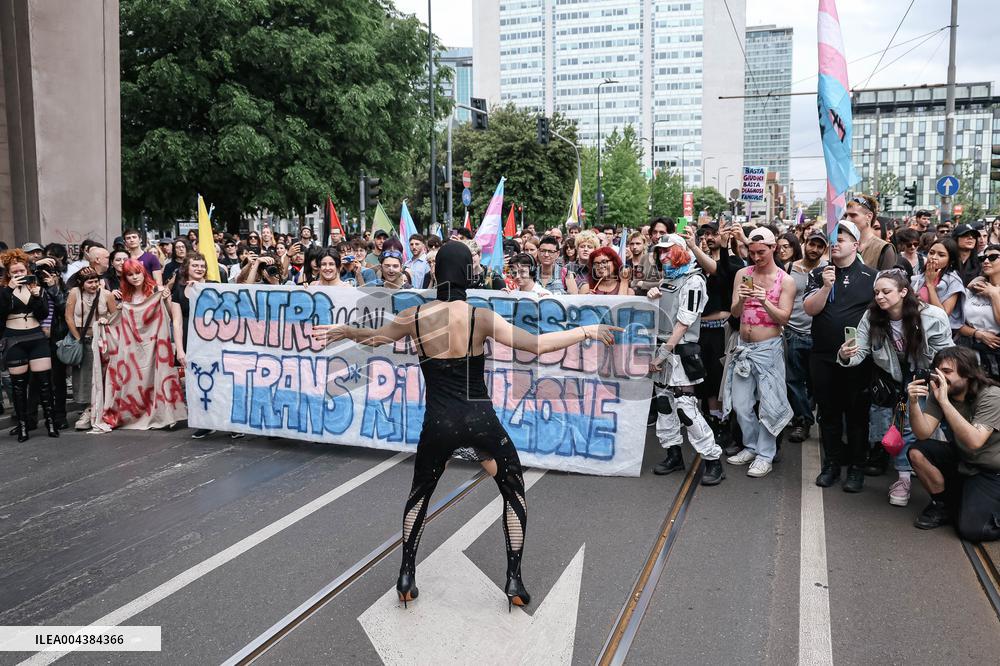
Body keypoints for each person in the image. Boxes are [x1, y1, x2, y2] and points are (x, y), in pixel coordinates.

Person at [311, 241, 621, 608]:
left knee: (419, 496)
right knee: (513, 491)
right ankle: (514, 581)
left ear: (438, 272)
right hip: (479, 418)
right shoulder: (480, 316)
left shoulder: (415, 315)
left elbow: (377, 339)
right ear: (467, 273)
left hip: (437, 422)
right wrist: (585, 332)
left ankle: (406, 575)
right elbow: (536, 345)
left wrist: (346, 331)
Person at [838, 269, 954, 506]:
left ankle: (950, 477)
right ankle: (903, 479)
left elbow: (947, 356)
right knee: (904, 426)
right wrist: (845, 354)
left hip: (929, 377)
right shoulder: (872, 317)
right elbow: (860, 351)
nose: (880, 297)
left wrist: (940, 383)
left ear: (903, 292)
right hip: (895, 380)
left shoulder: (933, 316)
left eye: (886, 291)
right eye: (876, 292)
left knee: (943, 425)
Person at [645, 234, 726, 485]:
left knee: (686, 407)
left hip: (679, 352)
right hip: (664, 349)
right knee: (664, 405)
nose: (663, 256)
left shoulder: (693, 280)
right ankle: (673, 454)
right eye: (660, 252)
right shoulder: (671, 279)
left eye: (668, 251)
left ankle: (713, 460)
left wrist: (663, 353)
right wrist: (654, 294)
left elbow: (684, 322)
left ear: (680, 251)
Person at [804, 221, 877, 492]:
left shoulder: (871, 277)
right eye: (833, 239)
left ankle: (857, 467)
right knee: (829, 413)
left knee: (857, 415)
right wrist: (825, 286)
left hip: (857, 360)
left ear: (855, 245)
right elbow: (810, 309)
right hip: (822, 356)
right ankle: (832, 463)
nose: (836, 243)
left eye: (842, 238)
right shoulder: (820, 274)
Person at [906, 347, 1000, 542]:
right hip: (963, 458)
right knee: (917, 452)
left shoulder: (991, 395)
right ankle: (942, 506)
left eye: (947, 372)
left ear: (968, 374)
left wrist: (945, 403)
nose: (940, 376)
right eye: (938, 370)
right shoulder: (941, 392)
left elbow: (975, 442)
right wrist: (913, 402)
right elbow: (923, 432)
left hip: (991, 470)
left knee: (971, 530)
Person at [723, 227, 795, 478]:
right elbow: (734, 313)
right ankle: (751, 446)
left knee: (770, 405)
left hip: (769, 349)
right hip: (744, 348)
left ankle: (766, 454)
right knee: (741, 405)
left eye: (761, 252)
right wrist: (742, 299)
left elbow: (784, 317)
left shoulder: (785, 280)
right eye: (752, 252)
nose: (756, 257)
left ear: (773, 248)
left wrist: (765, 300)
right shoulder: (743, 274)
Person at [0, 249, 58, 440]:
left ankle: (50, 422)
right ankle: (22, 425)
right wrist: (9, 289)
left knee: (44, 383)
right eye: (14, 272)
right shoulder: (3, 290)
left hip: (36, 336)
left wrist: (37, 296)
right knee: (18, 386)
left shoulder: (36, 287)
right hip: (14, 338)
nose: (18, 275)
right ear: (8, 273)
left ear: (27, 271)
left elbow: (42, 314)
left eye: (21, 271)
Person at [785, 231, 828, 443]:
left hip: (820, 334)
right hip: (793, 332)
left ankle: (813, 411)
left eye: (820, 247)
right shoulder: (790, 268)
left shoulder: (828, 271)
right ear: (805, 243)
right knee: (793, 380)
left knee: (818, 381)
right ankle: (803, 420)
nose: (815, 250)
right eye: (812, 244)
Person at [65, 267, 116, 430]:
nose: (94, 285)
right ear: (81, 283)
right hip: (83, 339)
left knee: (102, 375)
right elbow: (69, 316)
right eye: (89, 282)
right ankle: (88, 409)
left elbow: (115, 317)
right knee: (84, 376)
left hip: (102, 339)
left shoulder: (106, 295)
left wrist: (105, 321)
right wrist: (78, 338)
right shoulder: (74, 293)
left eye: (96, 281)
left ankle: (102, 408)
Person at [954, 245, 1000, 379]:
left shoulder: (991, 291)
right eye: (983, 258)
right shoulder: (974, 288)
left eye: (992, 257)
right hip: (971, 353)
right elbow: (956, 323)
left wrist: (994, 294)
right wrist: (978, 334)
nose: (986, 261)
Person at [911, 238, 965, 334]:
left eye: (941, 255)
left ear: (951, 260)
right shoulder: (921, 275)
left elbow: (943, 314)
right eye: (931, 253)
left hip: (937, 333)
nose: (934, 257)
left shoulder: (953, 281)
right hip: (917, 329)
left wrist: (930, 285)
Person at [846, 195, 897, 270]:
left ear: (869, 216)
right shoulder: (843, 244)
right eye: (846, 215)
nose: (847, 220)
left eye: (853, 215)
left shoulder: (884, 248)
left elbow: (887, 280)